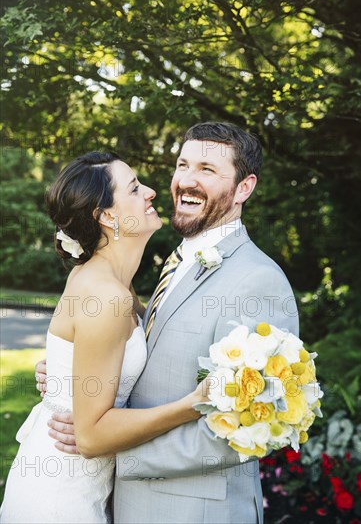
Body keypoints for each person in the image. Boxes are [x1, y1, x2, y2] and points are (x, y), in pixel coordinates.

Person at [35, 122, 299, 524]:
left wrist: (112, 452)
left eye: (207, 170)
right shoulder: (172, 264)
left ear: (244, 188)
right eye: (182, 164)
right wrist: (68, 377)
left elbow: (251, 425)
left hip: (194, 511)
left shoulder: (257, 281)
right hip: (118, 506)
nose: (186, 181)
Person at [0, 151, 209, 524]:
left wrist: (62, 377)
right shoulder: (107, 296)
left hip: (76, 483)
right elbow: (92, 437)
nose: (150, 192)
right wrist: (193, 404)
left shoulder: (113, 285)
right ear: (107, 216)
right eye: (134, 188)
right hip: (60, 498)